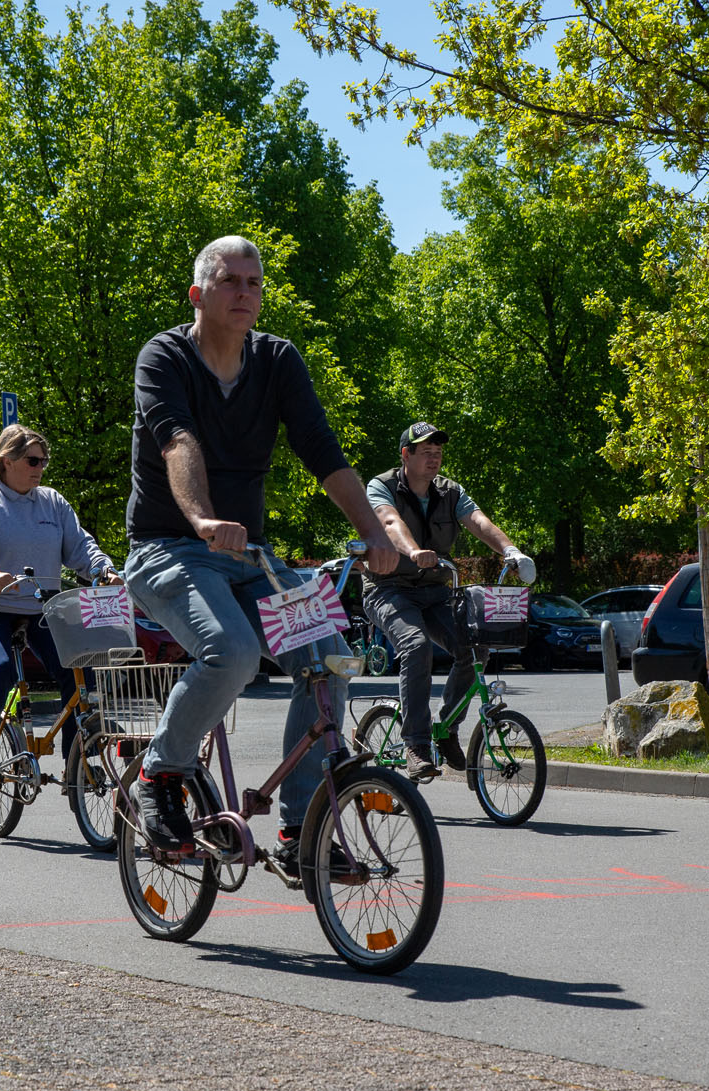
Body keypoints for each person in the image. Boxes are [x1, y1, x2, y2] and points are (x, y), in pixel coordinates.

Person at [122, 235, 399, 857]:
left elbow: (321, 450)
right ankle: (159, 774)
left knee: (330, 657)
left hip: (251, 559)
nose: (244, 291)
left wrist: (377, 534)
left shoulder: (277, 360)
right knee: (232, 652)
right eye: (230, 280)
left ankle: (305, 825)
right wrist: (199, 518)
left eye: (254, 282)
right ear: (199, 293)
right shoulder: (163, 356)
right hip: (168, 548)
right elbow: (177, 441)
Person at [363, 421, 536, 781]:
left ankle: (448, 730)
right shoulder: (381, 486)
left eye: (438, 453)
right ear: (405, 455)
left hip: (436, 590)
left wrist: (511, 551)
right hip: (388, 589)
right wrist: (414, 552)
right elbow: (390, 522)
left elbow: (477, 520)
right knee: (415, 645)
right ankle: (415, 743)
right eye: (426, 452)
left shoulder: (450, 491)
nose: (434, 459)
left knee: (475, 648)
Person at [0, 425, 122, 779]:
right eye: (33, 459)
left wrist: (104, 569)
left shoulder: (52, 501)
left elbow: (80, 547)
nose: (40, 467)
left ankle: (78, 762)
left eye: (44, 460)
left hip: (39, 608)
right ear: (6, 461)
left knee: (80, 671)